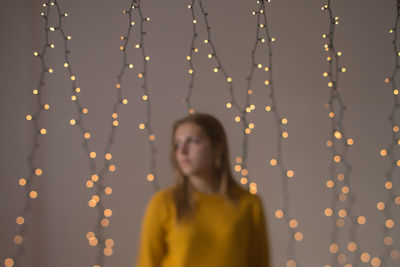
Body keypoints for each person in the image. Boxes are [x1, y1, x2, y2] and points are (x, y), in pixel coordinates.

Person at [136, 113, 270, 267]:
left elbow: (260, 263)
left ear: (218, 146)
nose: (182, 151)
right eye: (177, 144)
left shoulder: (249, 203)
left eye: (193, 141)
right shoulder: (164, 203)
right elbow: (147, 263)